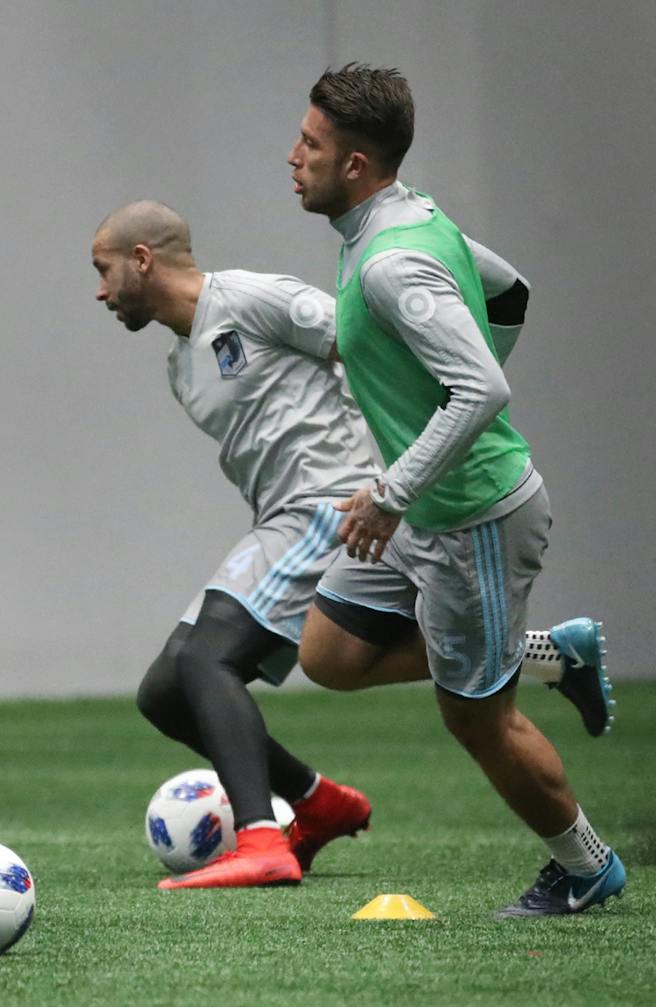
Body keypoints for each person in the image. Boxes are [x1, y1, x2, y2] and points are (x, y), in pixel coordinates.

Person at [91, 202, 613, 890]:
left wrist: (400, 475)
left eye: (102, 270)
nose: (99, 291)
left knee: (207, 660)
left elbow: (372, 349)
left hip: (336, 502)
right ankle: (319, 799)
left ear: (143, 259)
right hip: (280, 515)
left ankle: (260, 838)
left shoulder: (253, 299)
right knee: (164, 691)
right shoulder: (180, 366)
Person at [288, 63, 624, 916]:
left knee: (478, 719)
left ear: (356, 165)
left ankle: (588, 865)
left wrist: (397, 485)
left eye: (311, 144)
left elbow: (481, 389)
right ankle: (552, 651)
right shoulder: (407, 218)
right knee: (327, 653)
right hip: (426, 511)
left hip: (474, 519)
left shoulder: (391, 264)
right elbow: (510, 290)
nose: (292, 156)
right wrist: (422, 437)